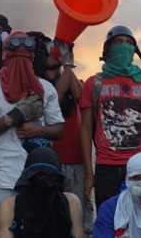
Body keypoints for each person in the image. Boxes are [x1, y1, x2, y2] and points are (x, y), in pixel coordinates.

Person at [0, 31, 65, 238]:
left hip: (40, 177)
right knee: (2, 233)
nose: (20, 63)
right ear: (5, 55)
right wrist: (13, 117)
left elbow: (59, 129)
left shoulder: (46, 88)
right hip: (2, 177)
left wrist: (39, 129)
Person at [79, 25, 141, 210]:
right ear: (107, 49)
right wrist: (89, 173)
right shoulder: (94, 83)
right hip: (106, 166)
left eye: (129, 43)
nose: (124, 46)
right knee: (109, 220)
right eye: (118, 42)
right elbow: (86, 130)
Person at [47, 38, 94, 237]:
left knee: (82, 217)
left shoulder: (73, 79)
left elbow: (81, 97)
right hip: (54, 162)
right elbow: (53, 99)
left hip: (78, 161)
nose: (55, 54)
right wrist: (66, 66)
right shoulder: (40, 85)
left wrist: (68, 64)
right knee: (58, 217)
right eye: (52, 52)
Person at [0, 147, 84, 238]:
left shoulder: (71, 203)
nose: (45, 180)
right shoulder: (8, 207)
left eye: (51, 176)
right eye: (39, 175)